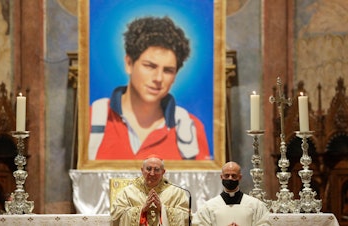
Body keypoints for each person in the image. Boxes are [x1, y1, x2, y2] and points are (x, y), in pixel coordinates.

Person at [88, 16, 210, 160]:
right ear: (129, 63)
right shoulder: (91, 120)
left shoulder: (192, 129)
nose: (158, 78)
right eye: (150, 66)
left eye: (168, 70)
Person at [111, 155, 189, 226]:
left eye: (157, 170)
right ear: (142, 170)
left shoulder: (176, 192)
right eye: (148, 169)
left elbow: (187, 217)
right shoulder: (128, 192)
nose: (152, 173)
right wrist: (141, 210)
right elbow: (116, 215)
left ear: (163, 172)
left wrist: (163, 209)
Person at [192, 161, 270, 226]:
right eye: (226, 175)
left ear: (240, 177)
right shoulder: (208, 207)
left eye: (234, 176)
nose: (230, 178)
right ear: (221, 177)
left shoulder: (255, 205)